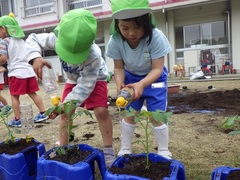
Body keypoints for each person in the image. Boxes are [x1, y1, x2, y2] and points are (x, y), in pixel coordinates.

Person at [25, 9, 115, 166]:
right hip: (73, 80)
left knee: (101, 112)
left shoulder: (94, 55)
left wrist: (66, 103)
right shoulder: (55, 38)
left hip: (95, 78)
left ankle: (108, 149)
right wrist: (35, 57)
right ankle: (63, 148)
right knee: (66, 114)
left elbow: (86, 86)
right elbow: (32, 38)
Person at [106, 0, 172, 159]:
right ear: (117, 25)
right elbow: (119, 67)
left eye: (137, 26)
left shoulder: (156, 37)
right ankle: (125, 148)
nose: (131, 33)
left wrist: (142, 84)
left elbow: (157, 68)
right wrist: (120, 82)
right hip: (131, 79)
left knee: (156, 115)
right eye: (125, 28)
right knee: (129, 114)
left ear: (146, 22)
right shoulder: (115, 40)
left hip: (154, 79)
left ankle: (163, 150)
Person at [0, 13, 48, 127]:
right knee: (33, 93)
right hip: (28, 72)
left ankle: (18, 119)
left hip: (16, 73)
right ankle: (43, 112)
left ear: (3, 29)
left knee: (14, 96)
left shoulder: (4, 41)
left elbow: (3, 58)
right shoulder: (22, 41)